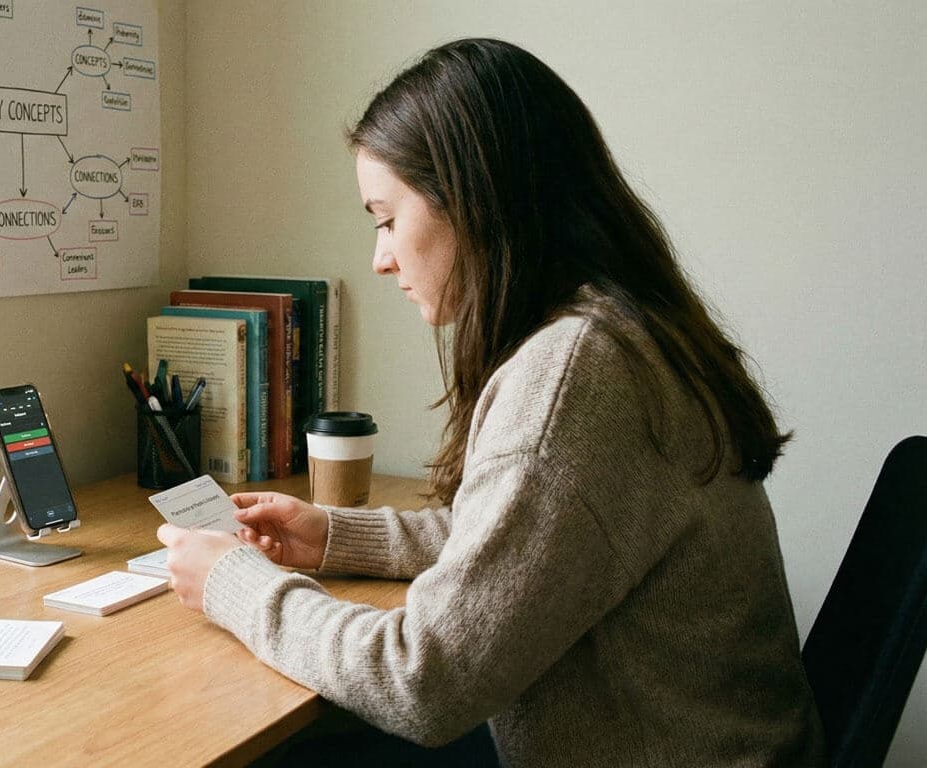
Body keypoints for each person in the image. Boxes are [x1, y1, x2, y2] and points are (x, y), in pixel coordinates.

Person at [156, 37, 826, 767]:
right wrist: (336, 537)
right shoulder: (620, 333)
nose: (380, 258)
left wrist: (233, 584)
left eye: (385, 218)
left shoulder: (576, 377)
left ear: (473, 201)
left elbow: (424, 682)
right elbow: (537, 549)